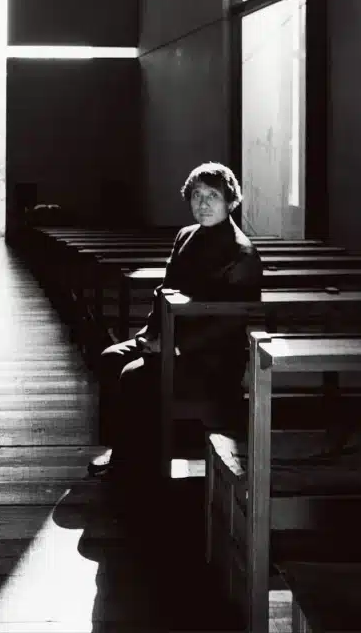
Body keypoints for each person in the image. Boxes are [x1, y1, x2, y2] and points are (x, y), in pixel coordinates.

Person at [87, 161, 263, 479]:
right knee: (110, 358)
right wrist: (148, 333)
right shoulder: (186, 236)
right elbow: (164, 291)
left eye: (212, 195)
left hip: (211, 358)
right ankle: (119, 448)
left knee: (134, 376)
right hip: (170, 338)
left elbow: (228, 323)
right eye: (196, 195)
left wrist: (175, 347)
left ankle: (138, 464)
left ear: (231, 201)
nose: (203, 203)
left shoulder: (242, 254)